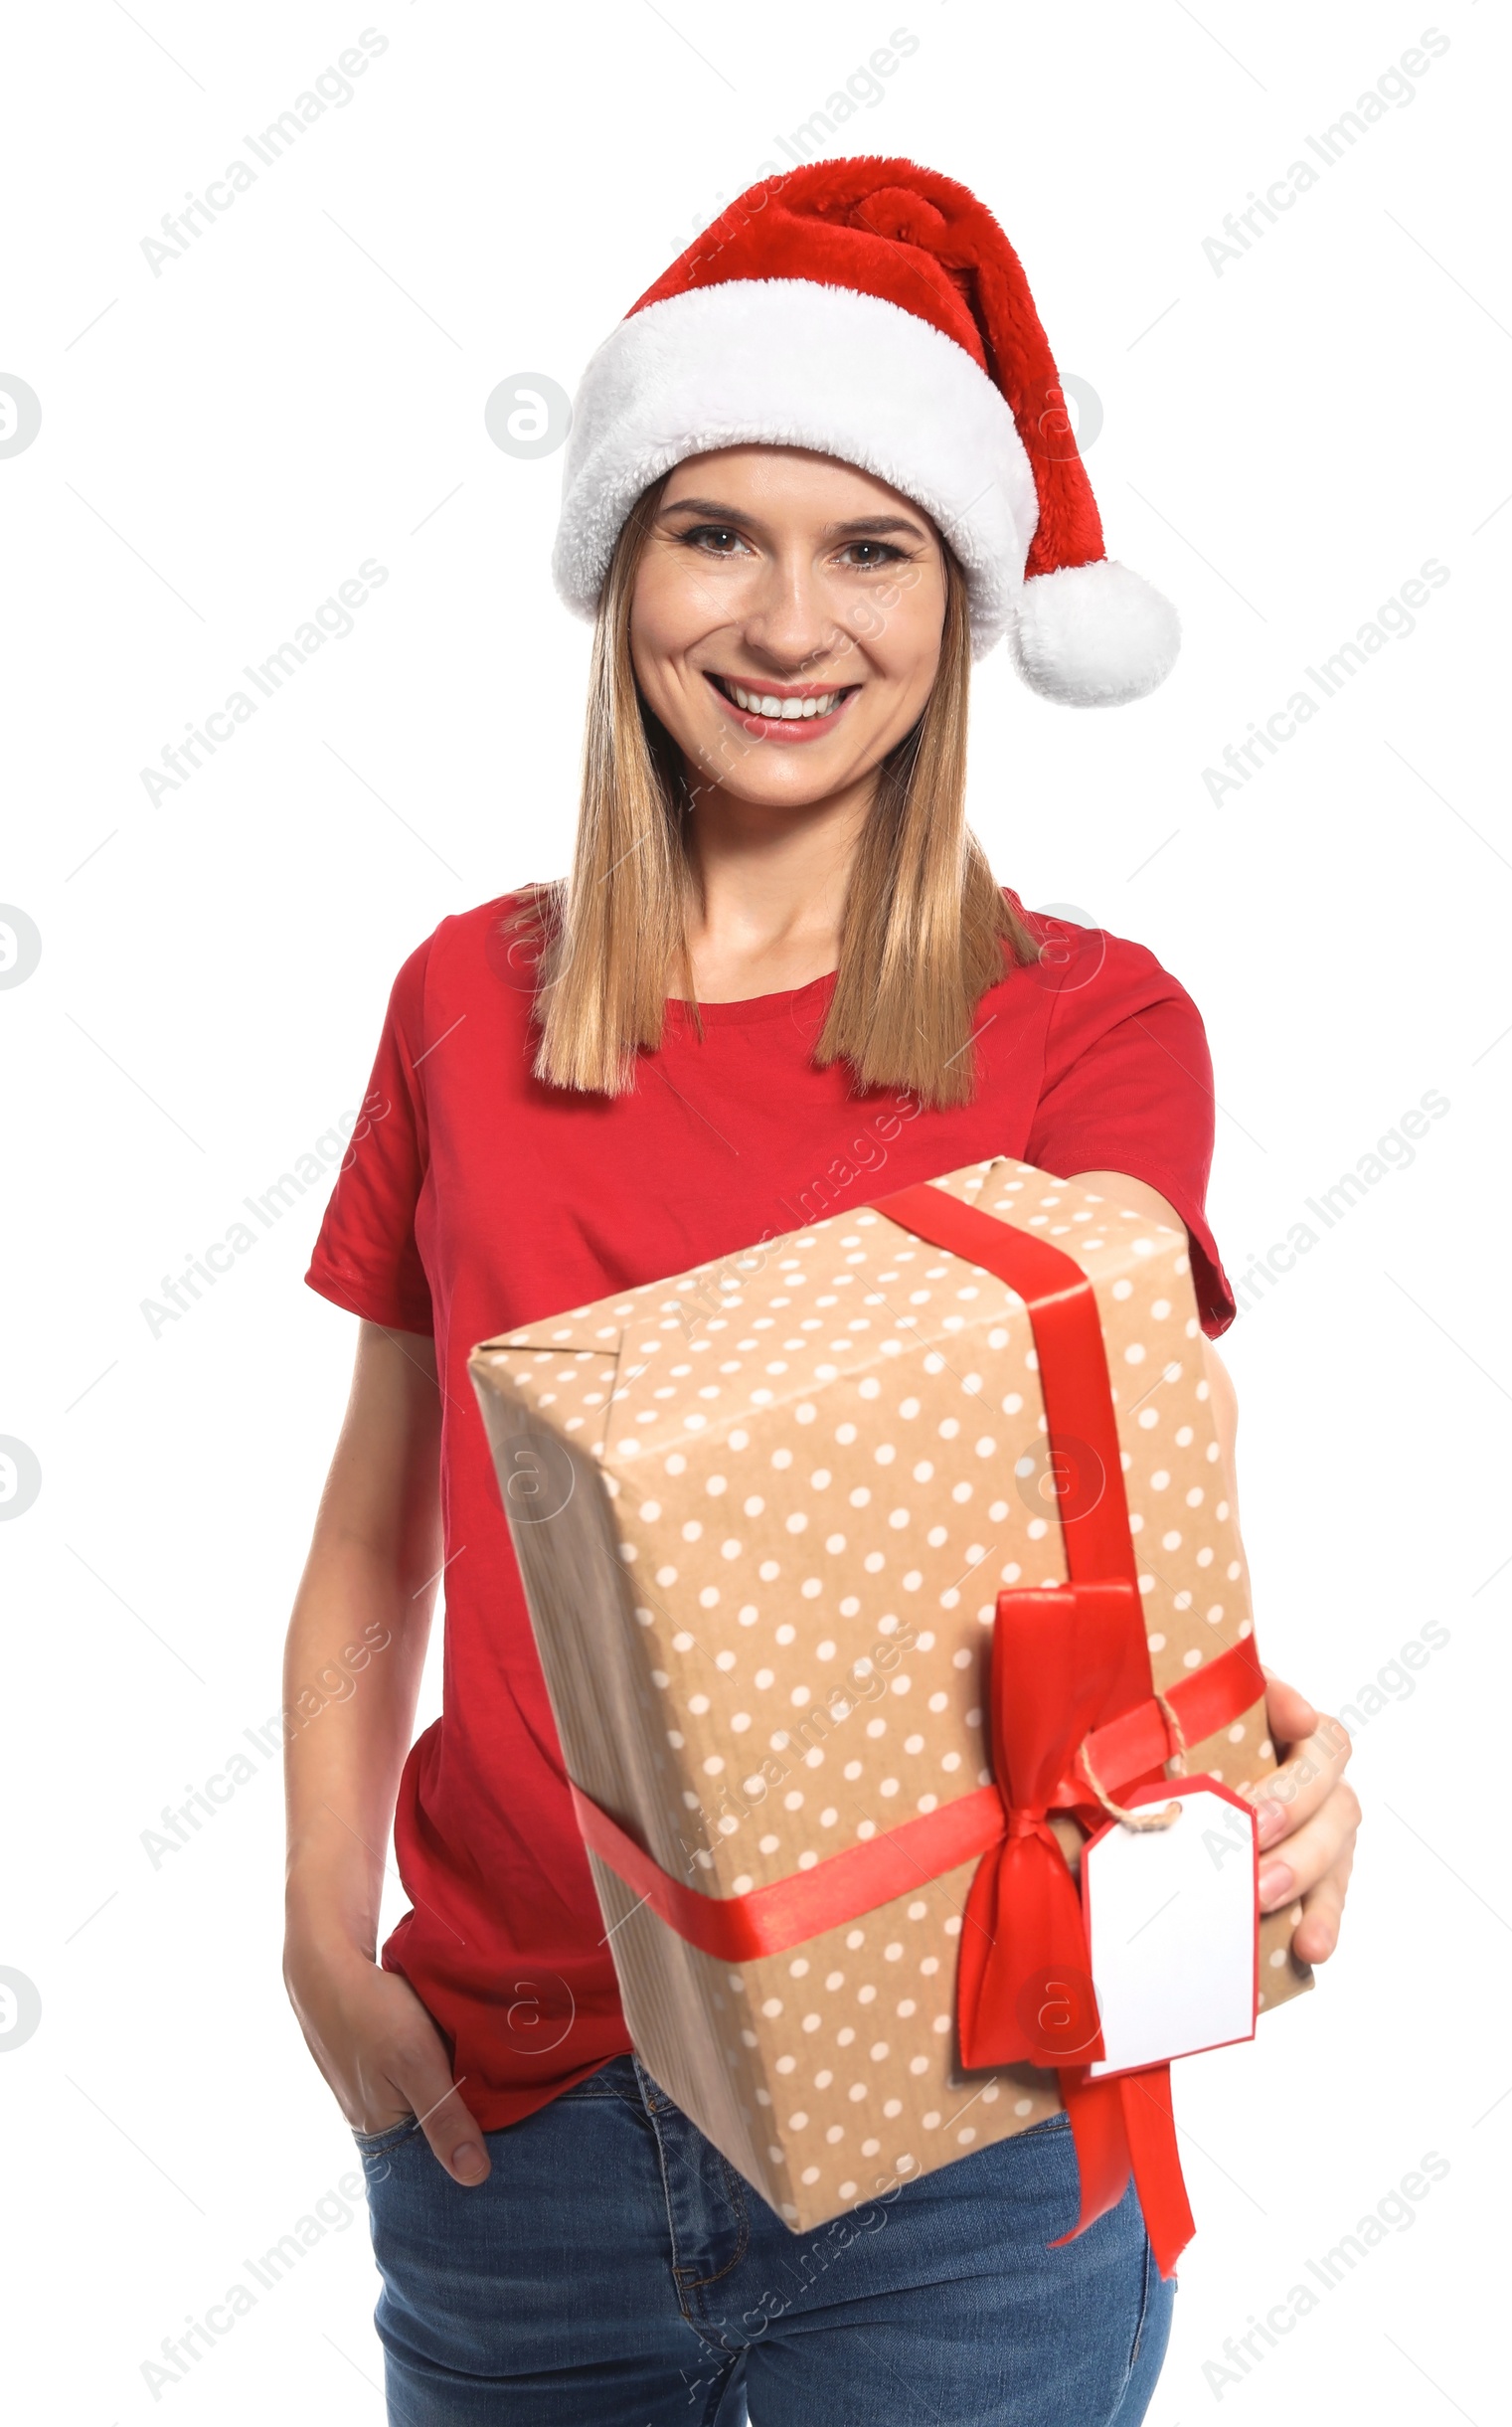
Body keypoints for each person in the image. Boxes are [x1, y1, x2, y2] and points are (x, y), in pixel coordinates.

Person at [283, 159, 1359, 2427]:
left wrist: (1262, 1772)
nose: (787, 625)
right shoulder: (464, 1004)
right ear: (617, 569)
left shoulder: (1088, 1025)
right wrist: (317, 1934)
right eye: (716, 534)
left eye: (869, 547)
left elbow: (1115, 1514)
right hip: (511, 2113)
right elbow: (383, 1519)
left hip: (949, 2116)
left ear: (959, 599)